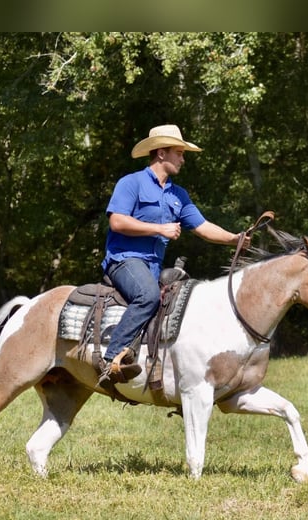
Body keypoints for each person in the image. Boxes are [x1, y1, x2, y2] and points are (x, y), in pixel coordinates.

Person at [97, 124, 250, 391]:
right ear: (160, 153)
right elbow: (117, 222)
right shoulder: (131, 183)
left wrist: (233, 239)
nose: (183, 158)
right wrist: (159, 228)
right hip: (124, 260)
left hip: (153, 267)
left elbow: (203, 227)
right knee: (149, 296)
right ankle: (110, 359)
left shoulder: (178, 195)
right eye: (178, 152)